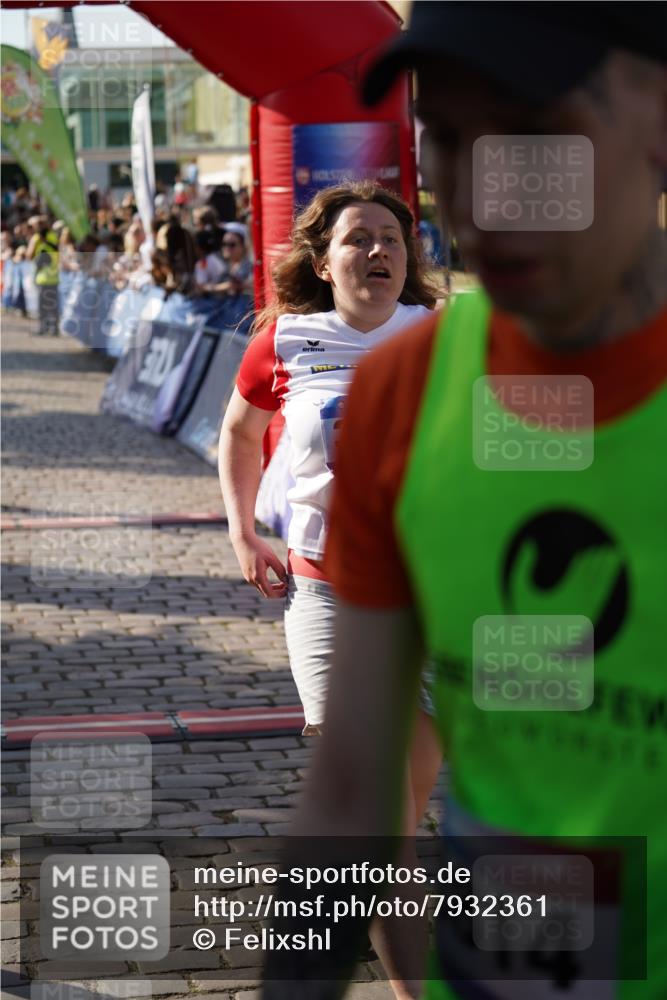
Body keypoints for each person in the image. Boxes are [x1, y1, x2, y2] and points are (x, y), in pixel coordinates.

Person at [264, 4, 667, 1000]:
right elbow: (354, 787)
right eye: (445, 135)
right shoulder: (408, 389)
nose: (481, 193)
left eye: (530, 129)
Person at [219, 181, 443, 999]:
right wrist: (244, 529)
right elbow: (239, 433)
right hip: (328, 598)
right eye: (359, 239)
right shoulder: (285, 341)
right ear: (325, 259)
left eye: (392, 239)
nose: (378, 251)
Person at [26, 215, 60, 335]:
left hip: (49, 277)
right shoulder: (38, 238)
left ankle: (51, 328)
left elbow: (58, 249)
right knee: (46, 305)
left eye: (40, 224)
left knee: (49, 305)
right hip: (45, 277)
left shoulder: (46, 237)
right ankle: (47, 328)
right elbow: (29, 256)